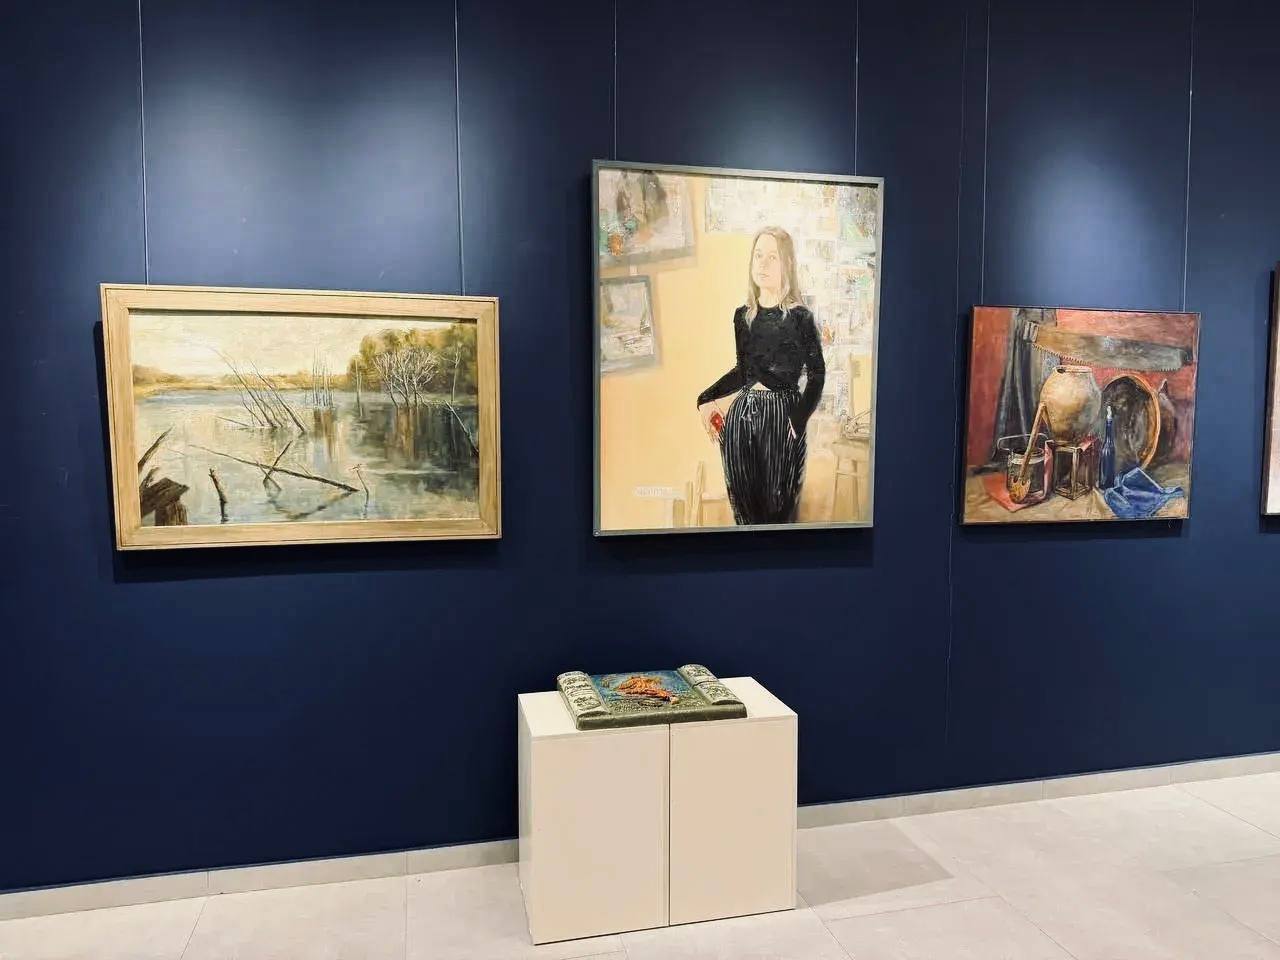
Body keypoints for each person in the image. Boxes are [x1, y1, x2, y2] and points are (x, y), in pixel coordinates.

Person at [696, 226, 825, 525]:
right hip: (742, 420)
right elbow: (744, 372)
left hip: (781, 418)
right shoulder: (743, 316)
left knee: (778, 515)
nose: (763, 264)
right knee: (745, 515)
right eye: (758, 256)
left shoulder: (800, 317)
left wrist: (797, 419)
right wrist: (705, 398)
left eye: (772, 257)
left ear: (787, 264)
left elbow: (817, 374)